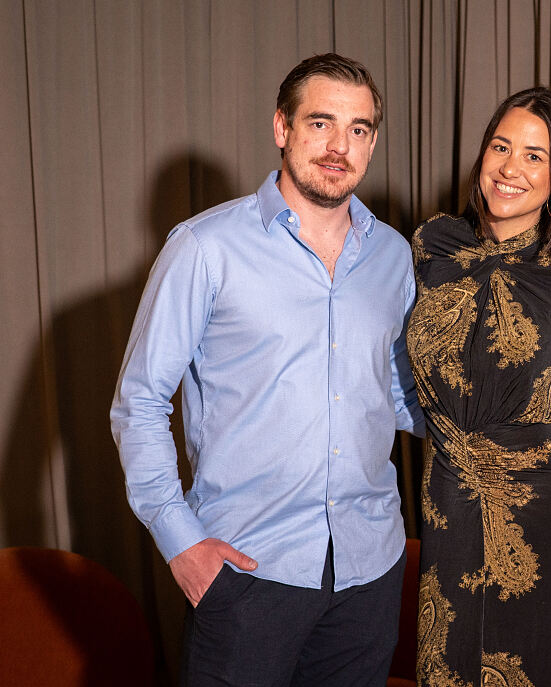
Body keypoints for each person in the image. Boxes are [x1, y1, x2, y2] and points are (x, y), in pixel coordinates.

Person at [110, 53, 421, 686]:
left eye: (358, 129)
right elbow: (139, 401)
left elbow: (397, 392)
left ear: (373, 142)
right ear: (282, 128)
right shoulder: (204, 248)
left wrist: (520, 432)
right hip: (248, 575)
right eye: (321, 123)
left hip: (370, 571)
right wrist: (181, 542)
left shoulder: (393, 254)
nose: (339, 146)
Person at [406, 87, 551, 686]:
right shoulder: (433, 245)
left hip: (547, 519)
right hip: (449, 503)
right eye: (501, 147)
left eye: (535, 156)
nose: (510, 168)